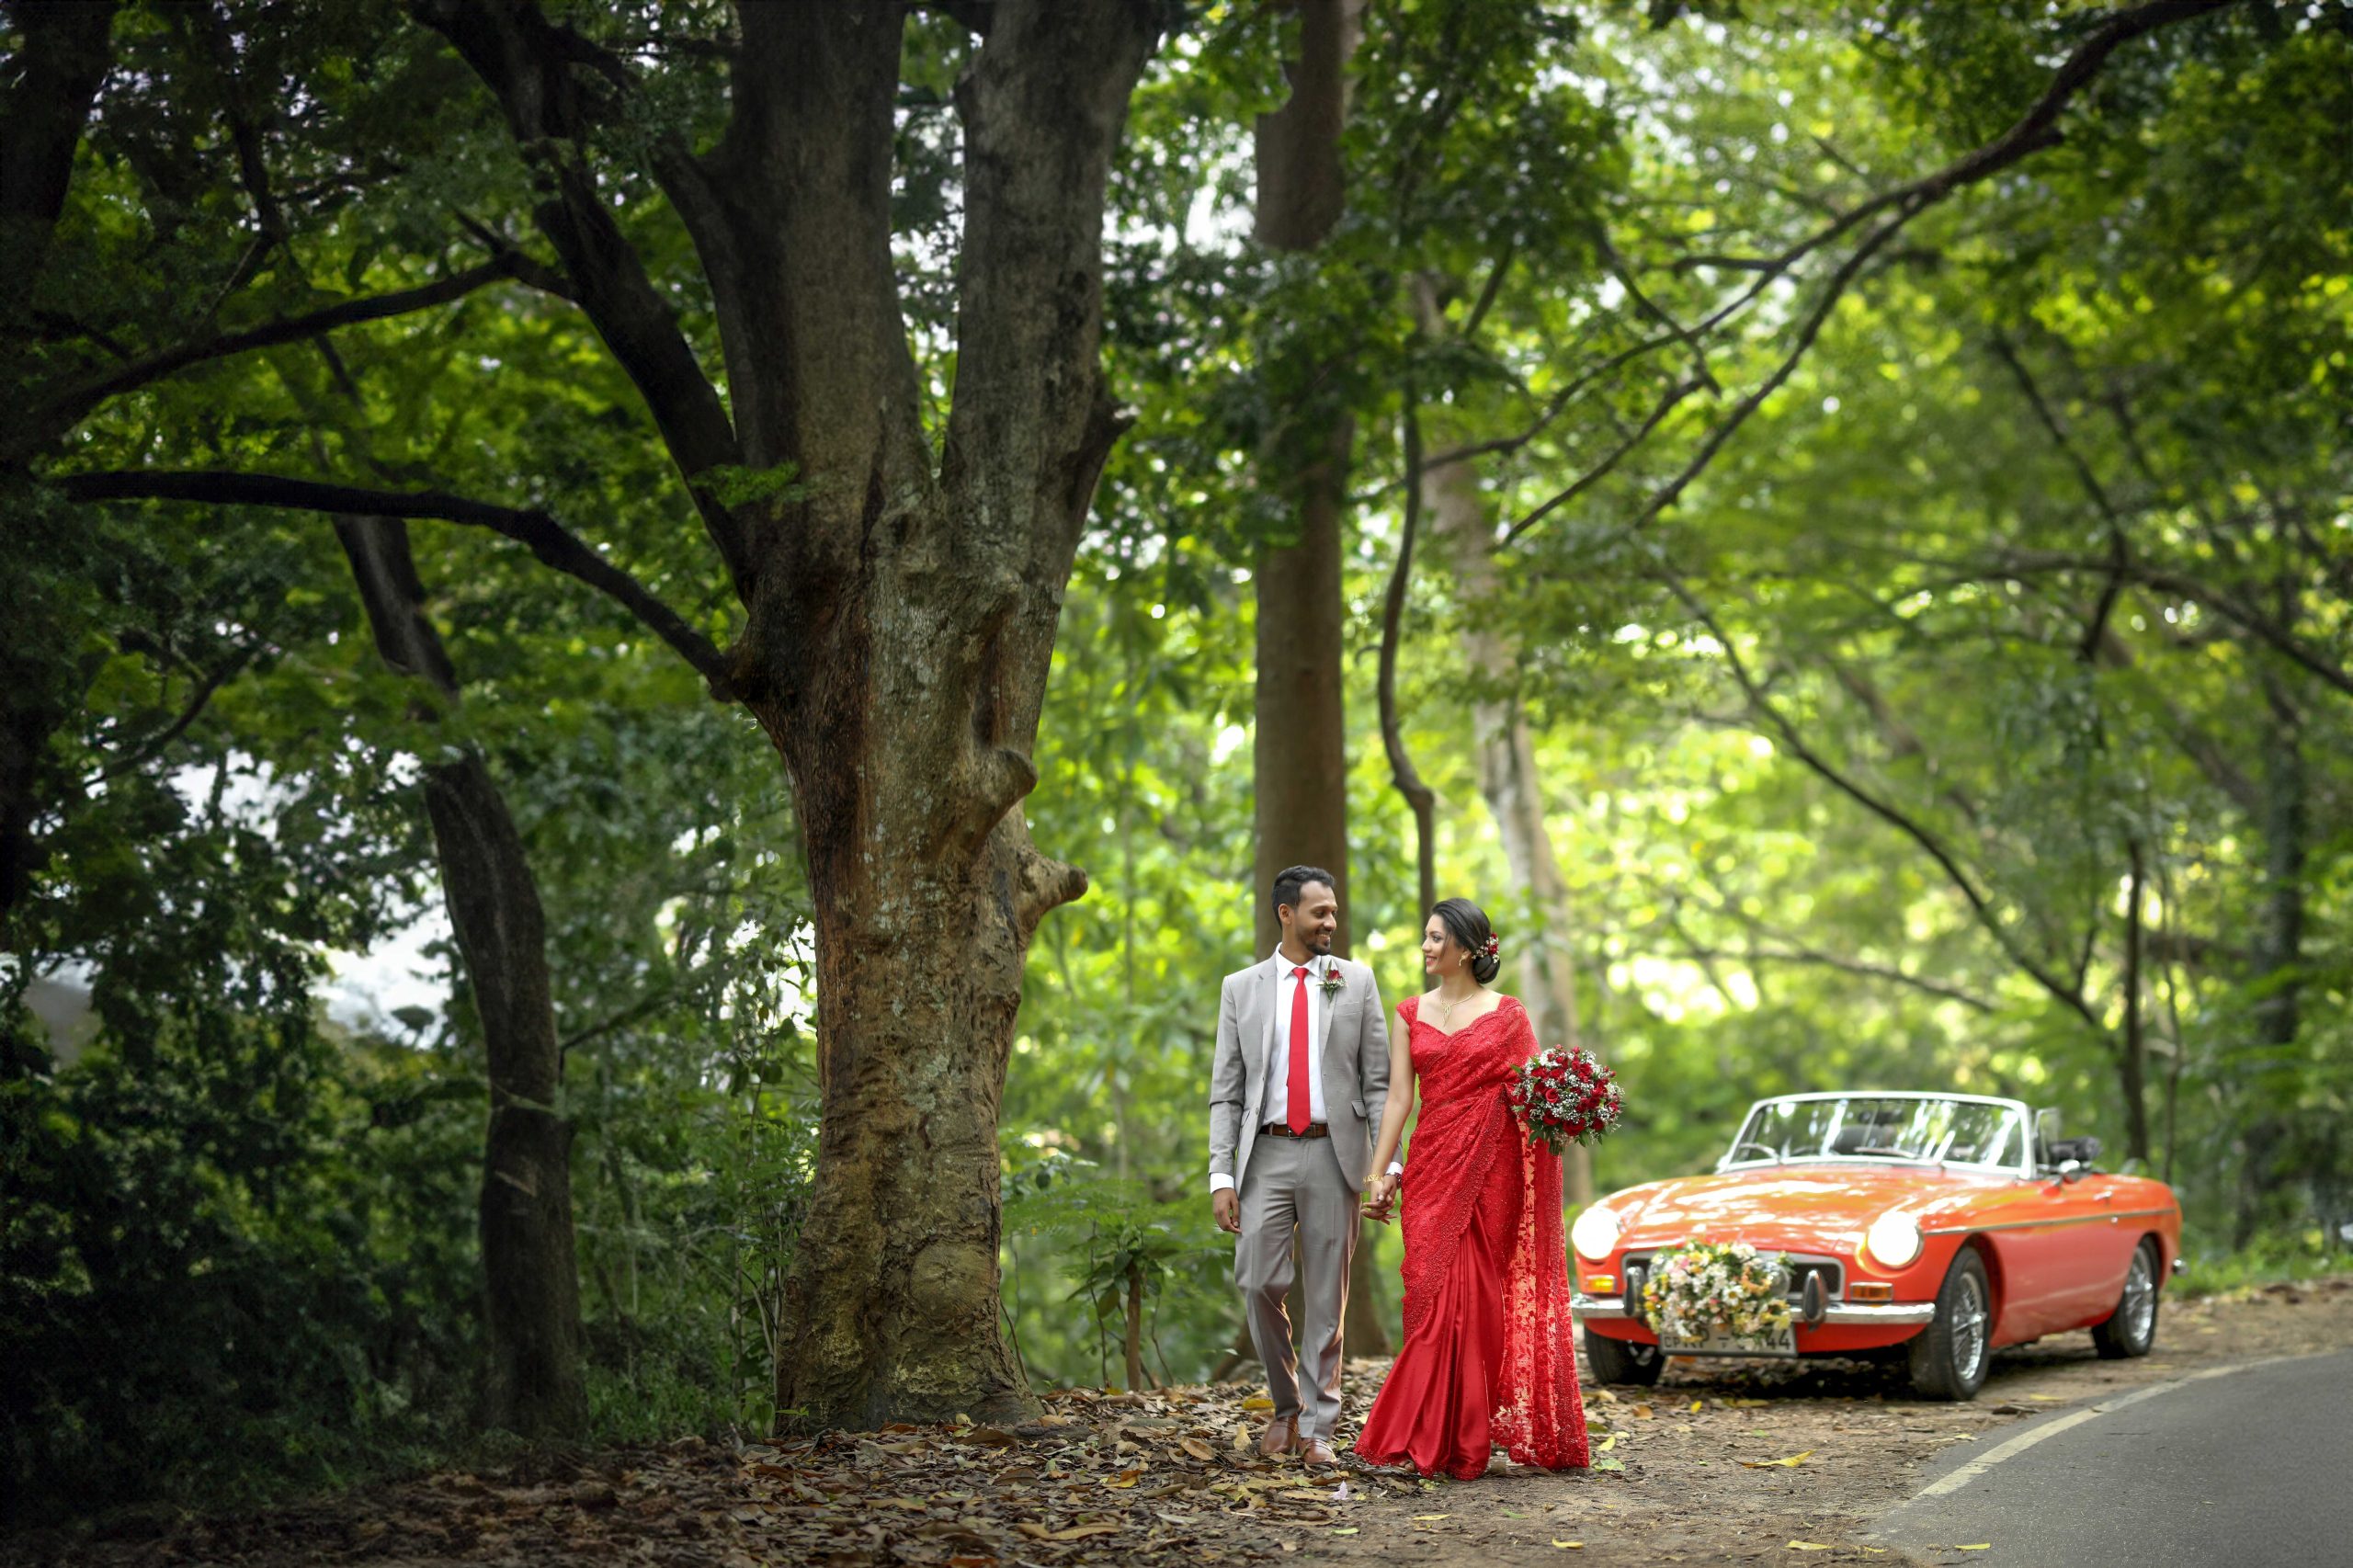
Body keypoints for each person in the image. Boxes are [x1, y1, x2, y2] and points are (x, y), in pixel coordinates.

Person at [1354, 897, 1589, 1479]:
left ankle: (1460, 1439)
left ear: (1465, 946)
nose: (1427, 948)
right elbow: (1399, 1100)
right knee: (1429, 1290)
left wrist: (1573, 1103)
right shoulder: (1409, 1012)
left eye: (1436, 938)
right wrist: (1379, 1173)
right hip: (1433, 1164)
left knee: (1480, 1298)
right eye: (1426, 938)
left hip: (1494, 1169)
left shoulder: (1509, 1015)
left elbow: (1535, 1092)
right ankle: (1425, 1431)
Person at [1207, 865, 1394, 1466]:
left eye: (1334, 912)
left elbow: (1380, 1084)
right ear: (1286, 914)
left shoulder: (1356, 982)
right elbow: (1226, 1091)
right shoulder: (1241, 987)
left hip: (1334, 1156)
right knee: (1257, 1281)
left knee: (1326, 1299)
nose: (1330, 922)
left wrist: (1383, 1170)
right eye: (1319, 912)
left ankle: (1316, 1428)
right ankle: (1286, 1404)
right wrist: (1221, 1174)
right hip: (1264, 1156)